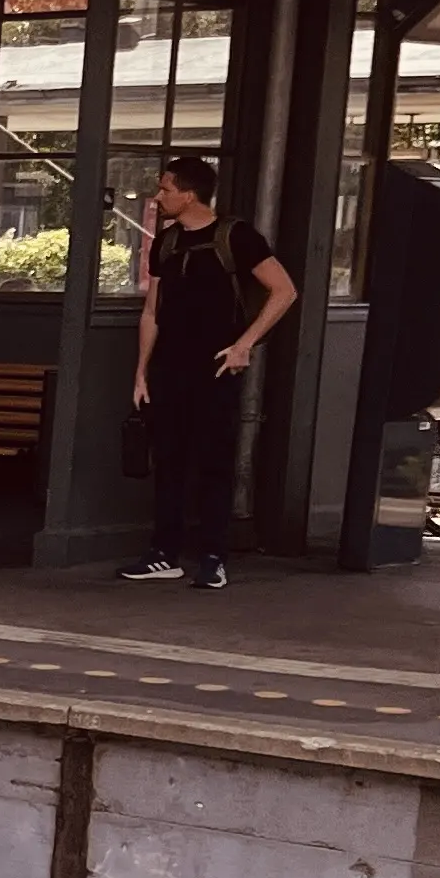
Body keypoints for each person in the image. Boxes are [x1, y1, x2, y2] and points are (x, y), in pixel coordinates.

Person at [121, 154, 298, 590]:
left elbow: (285, 291)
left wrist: (244, 344)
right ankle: (164, 552)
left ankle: (213, 556)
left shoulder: (237, 236)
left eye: (165, 189)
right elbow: (152, 310)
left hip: (217, 366)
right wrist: (141, 371)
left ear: (189, 193)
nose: (158, 196)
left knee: (214, 461)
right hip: (169, 367)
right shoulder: (165, 241)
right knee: (169, 460)